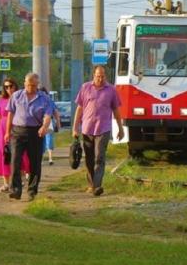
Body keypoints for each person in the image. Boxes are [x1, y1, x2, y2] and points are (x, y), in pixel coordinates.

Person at [72, 65, 124, 197]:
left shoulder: (111, 90)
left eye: (102, 76)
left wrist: (120, 128)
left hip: (103, 128)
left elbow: (116, 111)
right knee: (89, 158)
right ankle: (91, 184)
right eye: (98, 76)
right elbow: (79, 109)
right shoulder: (85, 87)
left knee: (99, 157)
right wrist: (75, 128)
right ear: (93, 76)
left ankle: (97, 186)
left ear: (105, 76)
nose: (100, 79)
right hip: (87, 129)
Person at [4, 72, 54, 201]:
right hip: (18, 131)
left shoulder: (44, 98)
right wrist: (7, 132)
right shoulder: (16, 96)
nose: (30, 87)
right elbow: (10, 114)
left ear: (37, 85)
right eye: (28, 85)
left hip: (35, 132)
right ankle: (15, 189)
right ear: (24, 83)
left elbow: (48, 116)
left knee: (35, 162)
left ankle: (32, 190)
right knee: (15, 160)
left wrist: (44, 127)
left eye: (33, 85)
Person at [0, 77, 17, 192]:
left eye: (11, 86)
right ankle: (6, 183)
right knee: (4, 154)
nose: (9, 89)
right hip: (2, 129)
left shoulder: (19, 98)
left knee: (17, 154)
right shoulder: (2, 100)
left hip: (16, 128)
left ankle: (16, 180)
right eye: (6, 87)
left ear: (15, 86)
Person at [39, 85, 60, 165]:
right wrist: (58, 123)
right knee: (47, 140)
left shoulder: (47, 101)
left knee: (45, 140)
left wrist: (58, 123)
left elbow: (56, 113)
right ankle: (49, 158)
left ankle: (48, 158)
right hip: (45, 123)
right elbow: (56, 113)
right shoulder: (49, 100)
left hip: (45, 123)